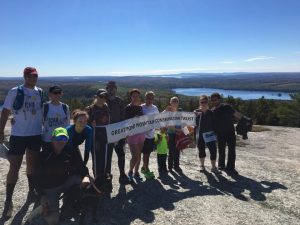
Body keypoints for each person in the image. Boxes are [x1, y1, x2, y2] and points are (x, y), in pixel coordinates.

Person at [0, 67, 43, 218]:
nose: (33, 78)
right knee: (14, 167)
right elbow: (5, 111)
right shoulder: (15, 91)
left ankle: (32, 191)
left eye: (35, 76)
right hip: (18, 135)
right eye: (30, 76)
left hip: (35, 134)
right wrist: (1, 131)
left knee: (32, 164)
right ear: (24, 76)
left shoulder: (40, 92)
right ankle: (8, 202)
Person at [34, 127, 89, 225]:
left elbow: (82, 168)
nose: (61, 141)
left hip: (64, 183)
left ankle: (69, 205)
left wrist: (86, 177)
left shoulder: (70, 152)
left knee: (80, 180)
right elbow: (36, 178)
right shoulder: (44, 155)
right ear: (52, 139)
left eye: (64, 139)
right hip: (49, 189)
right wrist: (41, 195)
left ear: (67, 140)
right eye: (58, 138)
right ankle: (44, 207)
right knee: (53, 220)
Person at [210, 92, 242, 175]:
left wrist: (246, 119)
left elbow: (236, 114)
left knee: (232, 150)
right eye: (212, 100)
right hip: (220, 133)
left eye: (215, 99)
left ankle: (231, 167)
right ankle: (221, 165)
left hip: (230, 132)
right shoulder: (213, 111)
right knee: (221, 150)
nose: (214, 101)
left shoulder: (227, 107)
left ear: (219, 99)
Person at [106, 81, 131, 184]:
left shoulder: (119, 101)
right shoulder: (104, 100)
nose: (112, 90)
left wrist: (125, 133)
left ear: (116, 89)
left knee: (121, 155)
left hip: (119, 132)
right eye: (110, 88)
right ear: (107, 89)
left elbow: (123, 117)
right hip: (106, 133)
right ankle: (106, 178)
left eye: (114, 88)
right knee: (108, 157)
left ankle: (122, 175)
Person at [85, 89, 113, 177]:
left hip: (106, 137)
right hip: (95, 138)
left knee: (106, 158)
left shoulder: (106, 107)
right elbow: (84, 124)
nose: (103, 99)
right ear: (96, 97)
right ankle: (98, 178)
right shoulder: (90, 109)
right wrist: (90, 124)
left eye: (105, 97)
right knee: (97, 159)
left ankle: (106, 177)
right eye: (101, 96)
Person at [194, 95, 220, 174]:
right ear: (199, 103)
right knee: (201, 150)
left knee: (213, 151)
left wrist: (216, 134)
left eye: (205, 102)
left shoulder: (211, 112)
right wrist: (194, 115)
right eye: (202, 102)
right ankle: (202, 166)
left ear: (207, 103)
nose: (204, 103)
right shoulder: (196, 112)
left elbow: (215, 124)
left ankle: (213, 167)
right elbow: (191, 123)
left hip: (210, 134)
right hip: (200, 134)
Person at [42, 85, 70, 153]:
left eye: (59, 93)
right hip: (48, 139)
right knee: (48, 161)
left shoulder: (65, 107)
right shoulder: (45, 107)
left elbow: (68, 123)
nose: (57, 95)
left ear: (61, 94)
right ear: (50, 94)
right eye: (55, 93)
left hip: (62, 140)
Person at [125, 89, 145, 182]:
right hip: (132, 135)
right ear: (131, 97)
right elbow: (124, 122)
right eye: (134, 96)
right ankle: (130, 172)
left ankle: (136, 173)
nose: (136, 97)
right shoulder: (128, 108)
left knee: (139, 155)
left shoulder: (140, 107)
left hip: (141, 133)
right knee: (135, 156)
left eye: (137, 96)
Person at [141, 91, 159, 179]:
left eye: (152, 98)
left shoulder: (155, 108)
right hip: (143, 135)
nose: (150, 99)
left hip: (151, 135)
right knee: (145, 154)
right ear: (145, 98)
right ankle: (146, 170)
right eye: (148, 97)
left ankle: (144, 168)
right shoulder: (141, 108)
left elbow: (158, 119)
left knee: (147, 153)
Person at [166, 97, 183, 173]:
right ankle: (170, 166)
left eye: (176, 101)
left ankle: (176, 166)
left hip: (178, 134)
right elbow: (168, 125)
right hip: (171, 134)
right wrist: (177, 130)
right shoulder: (168, 112)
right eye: (173, 101)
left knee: (177, 150)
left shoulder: (180, 112)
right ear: (170, 102)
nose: (175, 102)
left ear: (178, 103)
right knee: (171, 151)